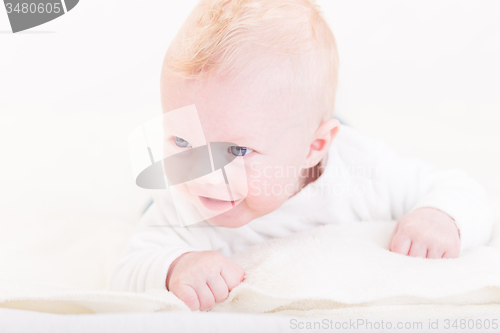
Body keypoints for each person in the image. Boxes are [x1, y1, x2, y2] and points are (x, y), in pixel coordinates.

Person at [109, 0, 494, 312]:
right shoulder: (185, 199)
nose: (205, 176)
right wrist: (176, 266)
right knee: (149, 208)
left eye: (237, 151)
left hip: (325, 147)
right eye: (181, 140)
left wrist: (441, 217)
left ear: (315, 148)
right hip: (288, 142)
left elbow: (462, 191)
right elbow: (126, 269)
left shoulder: (365, 174)